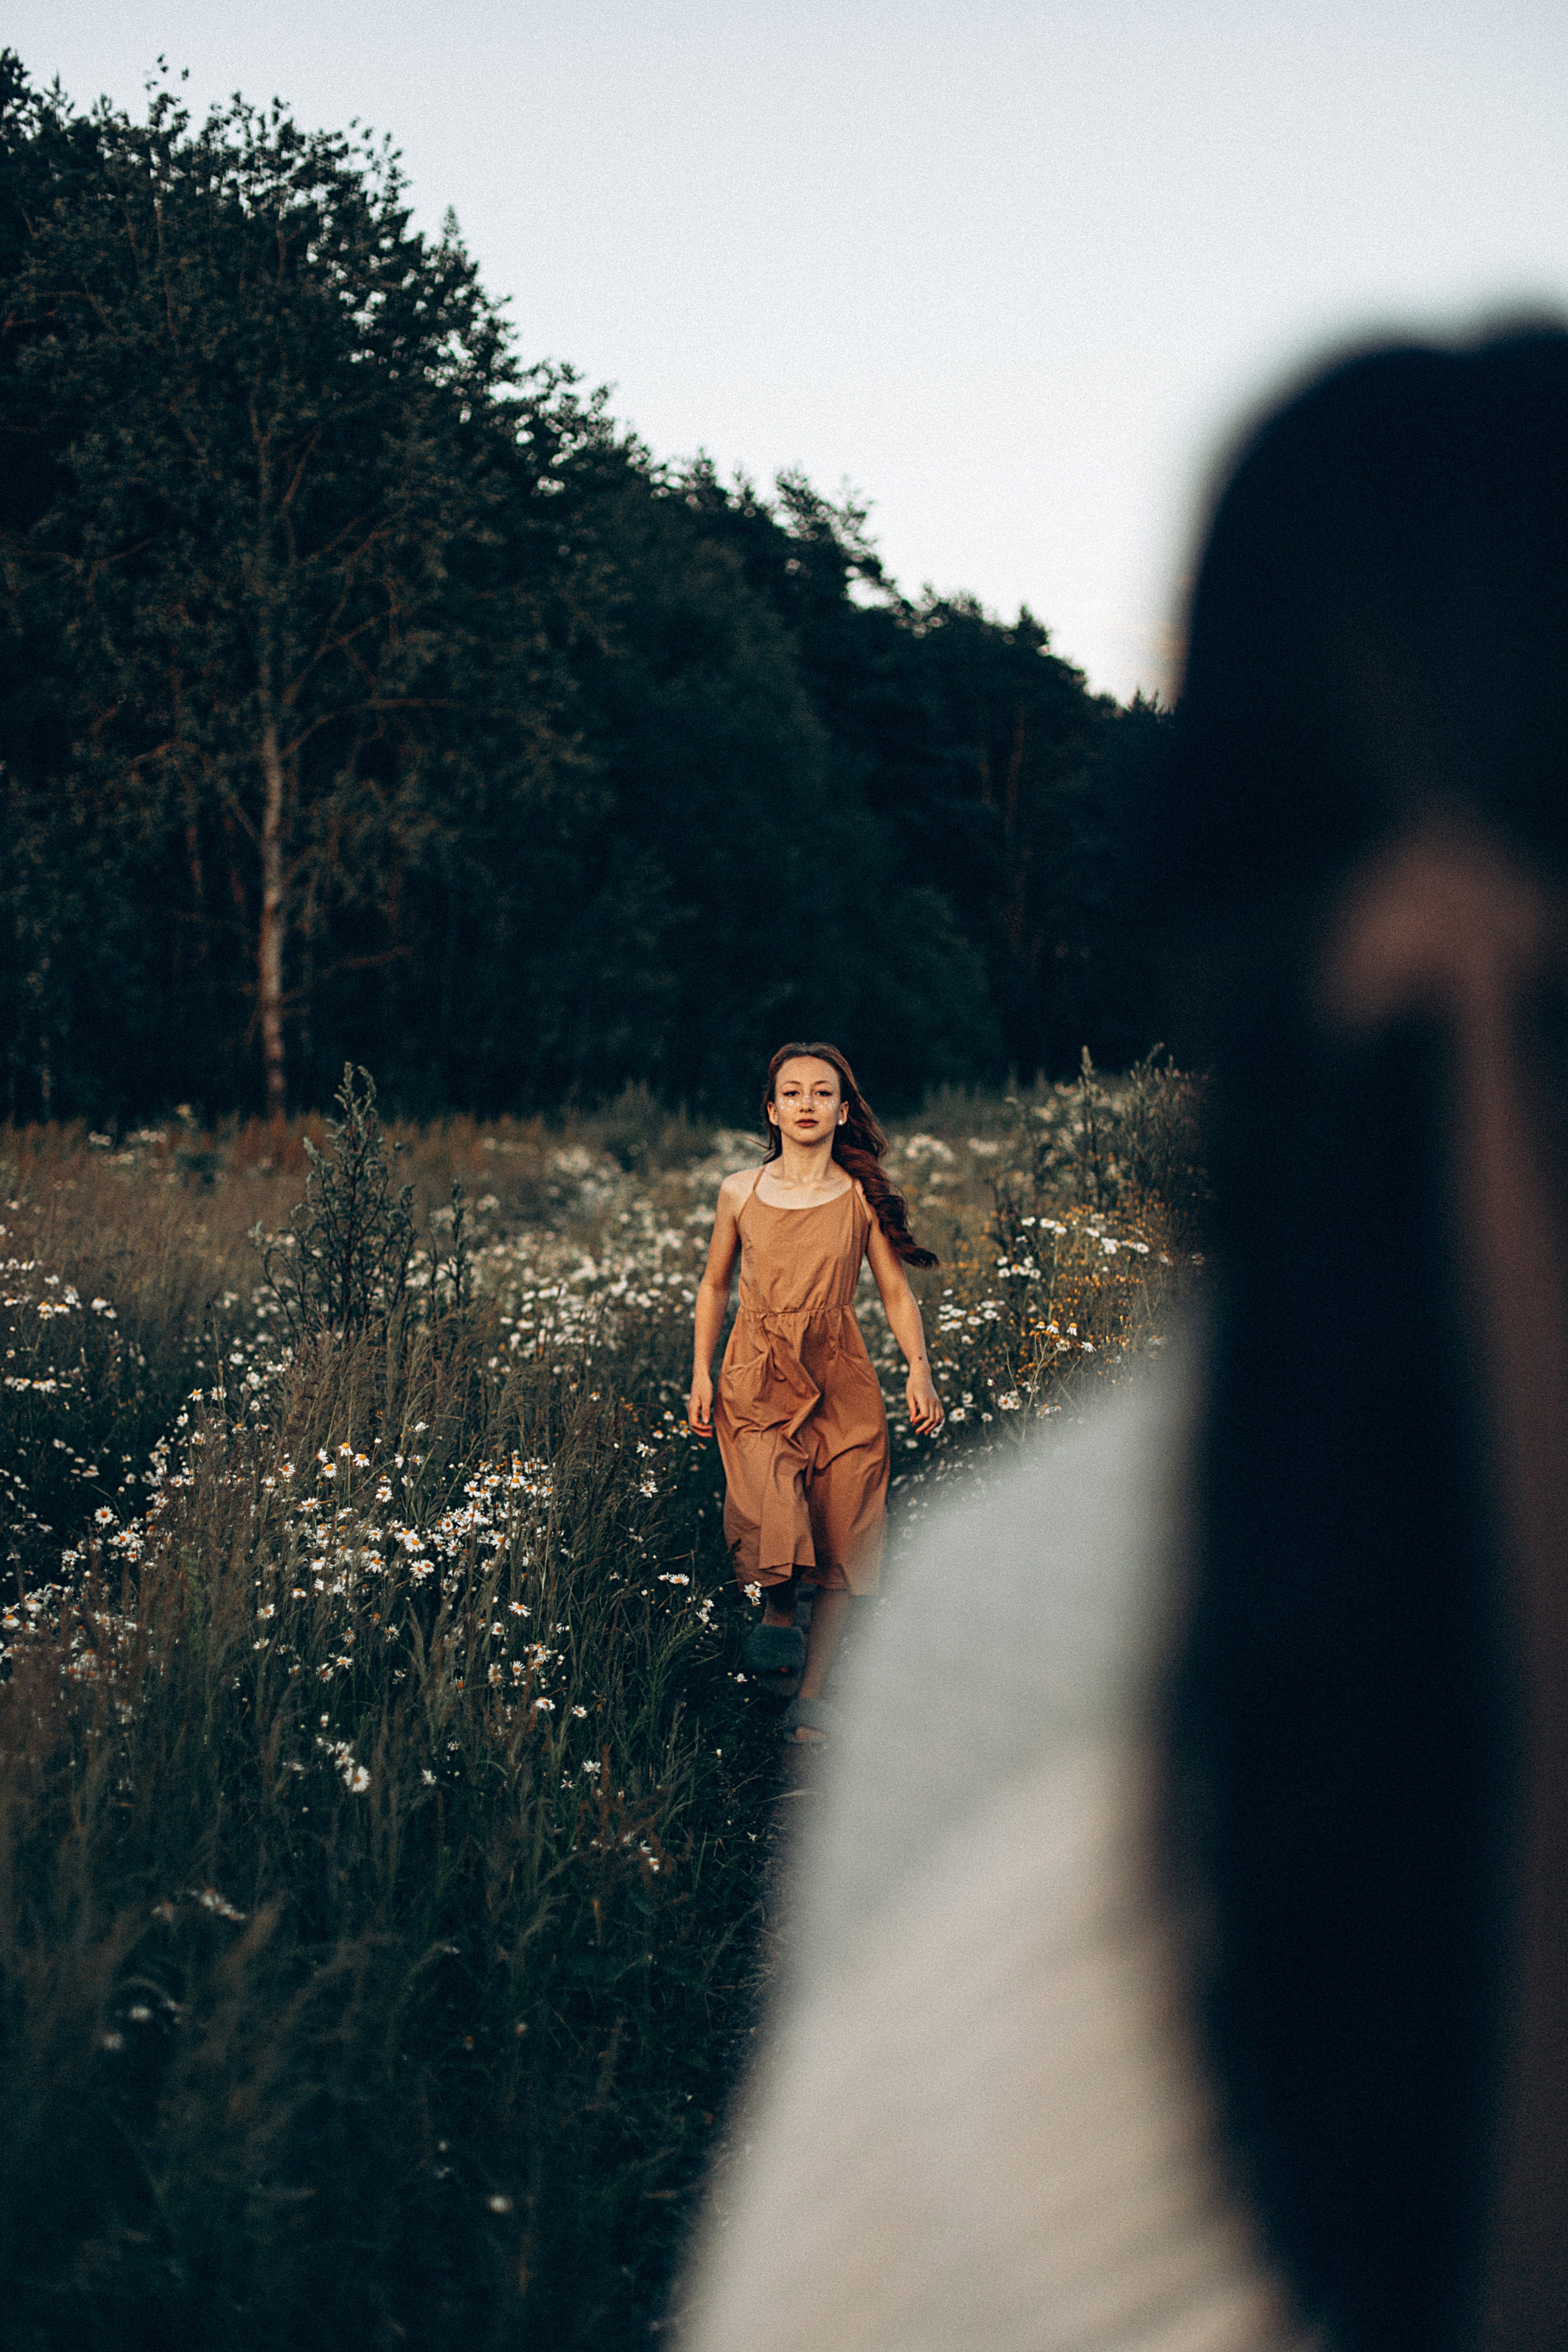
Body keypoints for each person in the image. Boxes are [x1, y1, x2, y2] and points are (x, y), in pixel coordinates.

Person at [677, 325, 1568, 2352]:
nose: (807, 1112)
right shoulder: (753, 1208)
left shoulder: (1029, 1630)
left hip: (886, 1481)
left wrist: (902, 1369)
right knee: (805, 1553)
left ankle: (805, 1671)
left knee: (861, 1574)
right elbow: (733, 1279)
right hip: (774, 1396)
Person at [687, 1042, 943, 1741]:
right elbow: (713, 1284)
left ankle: (811, 1698)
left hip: (841, 1378)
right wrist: (700, 1372)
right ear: (771, 1110)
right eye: (792, 1092)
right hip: (757, 1374)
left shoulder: (859, 1196)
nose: (807, 1103)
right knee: (768, 1500)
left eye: (822, 1092)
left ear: (842, 1109)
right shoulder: (740, 1191)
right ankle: (776, 1611)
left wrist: (918, 1367)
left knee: (844, 1531)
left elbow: (895, 1293)